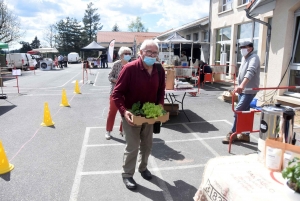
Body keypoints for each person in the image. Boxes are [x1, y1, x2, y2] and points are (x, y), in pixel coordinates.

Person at [112, 39, 165, 190]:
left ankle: (143, 168)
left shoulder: (158, 69)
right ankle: (127, 175)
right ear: (140, 53)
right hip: (131, 115)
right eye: (148, 52)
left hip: (149, 114)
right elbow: (117, 93)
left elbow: (161, 89)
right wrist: (124, 111)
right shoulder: (129, 69)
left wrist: (160, 104)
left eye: (155, 52)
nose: (152, 55)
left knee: (147, 145)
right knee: (132, 147)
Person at [222, 41, 260, 144]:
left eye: (244, 47)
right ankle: (245, 135)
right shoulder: (244, 58)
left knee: (238, 110)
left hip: (249, 90)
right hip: (243, 90)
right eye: (241, 47)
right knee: (245, 113)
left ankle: (232, 134)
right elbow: (242, 73)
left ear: (250, 48)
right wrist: (239, 85)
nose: (242, 49)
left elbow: (250, 71)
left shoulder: (254, 58)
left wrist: (242, 85)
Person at [105, 46, 132, 140]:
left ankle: (122, 130)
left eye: (129, 53)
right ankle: (108, 131)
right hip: (115, 92)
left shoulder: (131, 65)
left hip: (127, 93)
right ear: (121, 55)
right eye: (126, 53)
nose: (128, 55)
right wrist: (118, 81)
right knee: (112, 112)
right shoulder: (116, 64)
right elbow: (110, 76)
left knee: (124, 112)